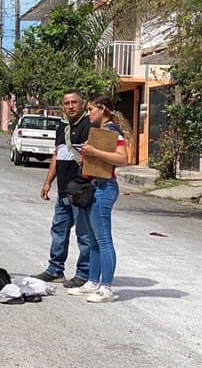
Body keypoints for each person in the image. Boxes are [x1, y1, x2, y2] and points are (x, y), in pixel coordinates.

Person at [68, 94, 129, 303]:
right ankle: (93, 281)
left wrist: (94, 151)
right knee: (93, 240)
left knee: (103, 240)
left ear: (102, 109)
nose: (89, 114)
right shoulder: (100, 132)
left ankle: (107, 287)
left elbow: (122, 158)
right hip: (94, 186)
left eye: (91, 109)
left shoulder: (112, 132)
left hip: (105, 187)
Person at [32, 90, 92, 288]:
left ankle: (83, 273)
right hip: (64, 191)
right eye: (67, 103)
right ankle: (55, 270)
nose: (70, 106)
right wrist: (48, 182)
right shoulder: (62, 127)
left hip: (81, 191)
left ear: (82, 104)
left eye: (74, 102)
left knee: (84, 235)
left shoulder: (89, 126)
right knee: (58, 231)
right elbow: (57, 156)